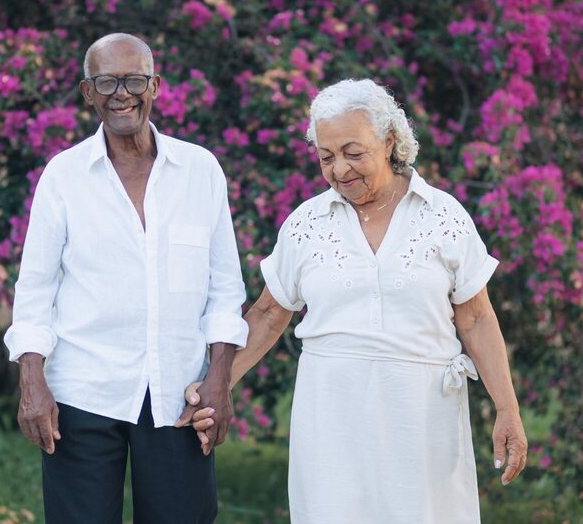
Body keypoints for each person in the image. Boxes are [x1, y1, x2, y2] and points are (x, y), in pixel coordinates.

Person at [179, 78, 528, 523]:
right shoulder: (307, 223)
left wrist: (507, 409)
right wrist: (216, 383)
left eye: (353, 152)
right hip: (331, 415)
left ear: (389, 141)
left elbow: (476, 319)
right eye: (326, 157)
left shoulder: (443, 216)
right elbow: (268, 313)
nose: (340, 169)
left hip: (422, 417)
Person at [4, 33, 248, 523]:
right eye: (106, 82)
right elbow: (35, 290)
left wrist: (219, 381)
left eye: (135, 80)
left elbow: (225, 289)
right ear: (87, 92)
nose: (122, 94)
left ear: (155, 86)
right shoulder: (64, 176)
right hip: (83, 393)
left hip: (179, 395)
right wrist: (31, 379)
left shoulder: (200, 170)